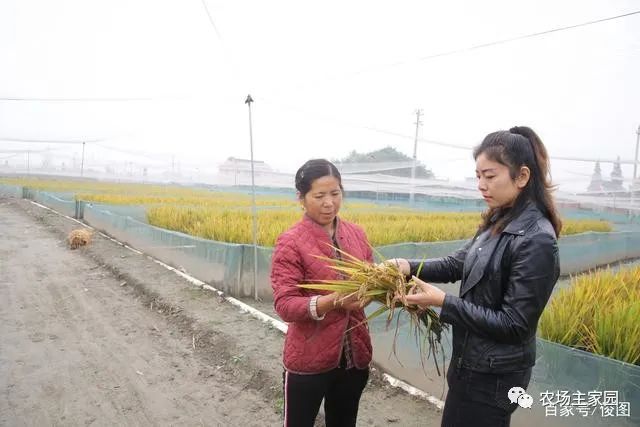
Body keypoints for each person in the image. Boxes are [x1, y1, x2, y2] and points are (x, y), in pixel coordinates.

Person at [390, 126, 561, 427]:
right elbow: (458, 263)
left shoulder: (536, 240)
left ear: (522, 176)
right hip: (472, 365)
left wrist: (444, 302)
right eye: (478, 175)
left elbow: (515, 325)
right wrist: (406, 265)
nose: (481, 184)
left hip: (495, 378)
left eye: (490, 176)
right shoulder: (499, 219)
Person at [271, 159, 373, 427]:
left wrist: (373, 293)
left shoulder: (357, 235)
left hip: (354, 356)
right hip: (308, 358)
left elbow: (371, 279)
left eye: (335, 193)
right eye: (319, 196)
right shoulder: (291, 242)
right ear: (301, 198)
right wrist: (334, 301)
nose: (329, 203)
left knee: (344, 421)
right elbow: (285, 304)